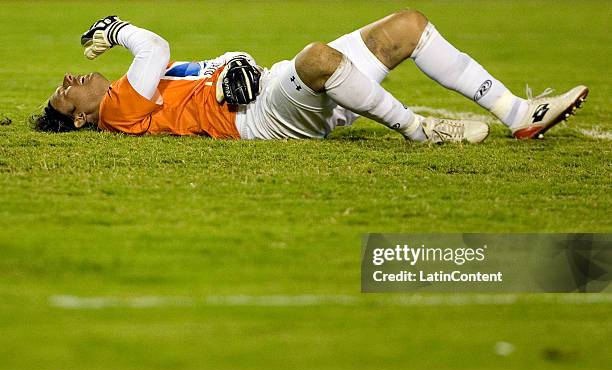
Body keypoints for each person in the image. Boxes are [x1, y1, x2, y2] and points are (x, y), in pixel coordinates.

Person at [32, 10, 588, 144]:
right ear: (82, 117)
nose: (67, 78)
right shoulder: (119, 110)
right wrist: (117, 28)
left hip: (273, 93)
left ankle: (517, 112)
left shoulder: (140, 95)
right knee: (318, 58)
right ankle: (422, 131)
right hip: (264, 118)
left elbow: (199, 71)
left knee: (408, 27)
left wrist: (235, 62)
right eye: (64, 92)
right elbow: (153, 47)